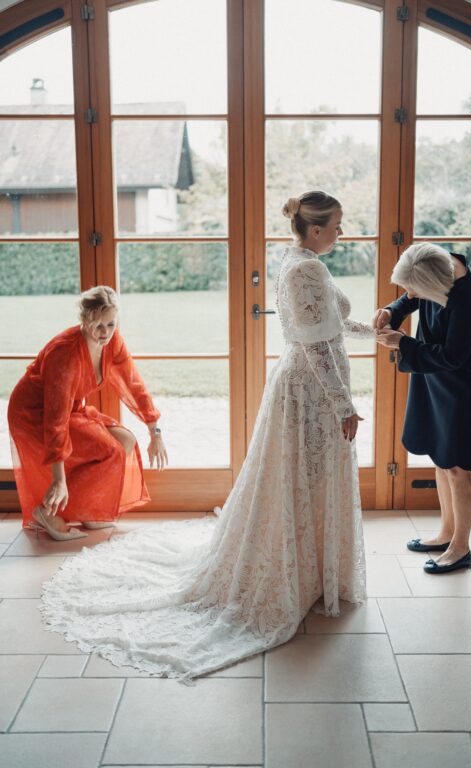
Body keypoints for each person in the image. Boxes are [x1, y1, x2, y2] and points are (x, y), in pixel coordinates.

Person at [39, 191, 374, 680]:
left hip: (310, 390)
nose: (343, 232)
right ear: (316, 228)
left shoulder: (301, 262)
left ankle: (313, 571)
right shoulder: (306, 269)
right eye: (338, 225)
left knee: (309, 480)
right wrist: (344, 404)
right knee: (305, 479)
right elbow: (316, 344)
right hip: (311, 395)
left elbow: (333, 324)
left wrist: (376, 331)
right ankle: (299, 575)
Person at [8, 286, 168, 541]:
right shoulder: (66, 354)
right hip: (34, 413)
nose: (105, 333)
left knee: (126, 441)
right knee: (110, 449)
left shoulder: (112, 341)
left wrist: (154, 429)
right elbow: (55, 420)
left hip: (72, 408)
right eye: (98, 325)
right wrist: (58, 478)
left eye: (111, 324)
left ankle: (84, 509)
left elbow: (133, 383)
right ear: (84, 320)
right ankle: (47, 512)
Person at [375, 242, 471, 574]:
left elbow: (454, 357)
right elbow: (411, 296)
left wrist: (404, 344)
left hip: (462, 386)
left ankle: (461, 547)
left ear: (436, 283)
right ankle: (444, 533)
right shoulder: (437, 264)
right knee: (441, 460)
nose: (410, 293)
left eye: (415, 288)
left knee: (458, 467)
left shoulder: (469, 297)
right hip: (433, 375)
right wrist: (391, 311)